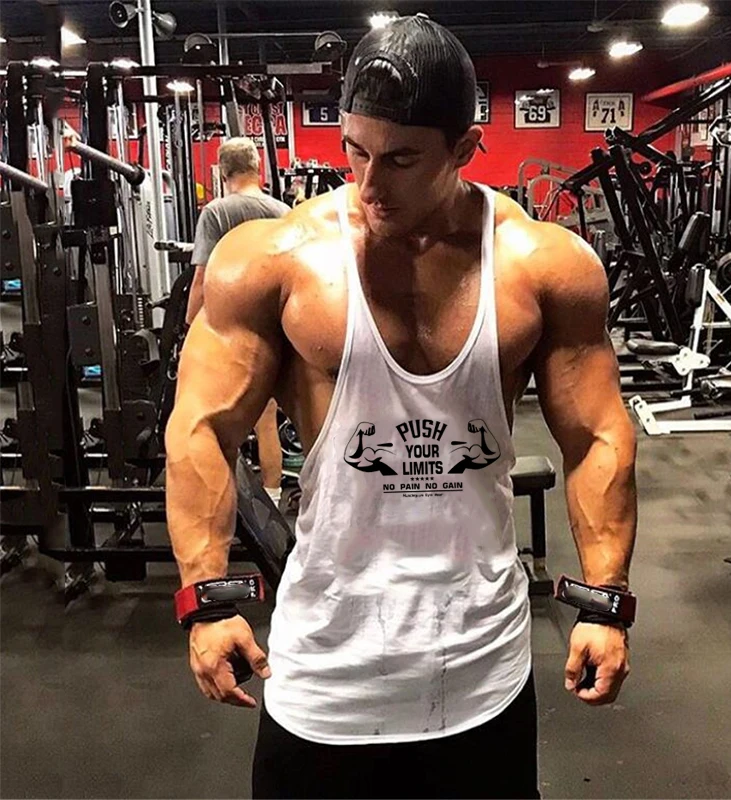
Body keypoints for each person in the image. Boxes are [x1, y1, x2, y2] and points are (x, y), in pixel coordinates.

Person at [166, 14, 637, 800]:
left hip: (482, 668)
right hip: (324, 671)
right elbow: (201, 429)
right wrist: (206, 600)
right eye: (355, 150)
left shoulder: (542, 264)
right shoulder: (274, 259)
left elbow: (596, 436)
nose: (368, 183)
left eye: (401, 159)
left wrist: (605, 601)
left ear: (465, 148)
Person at [185, 137, 290, 504]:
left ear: (223, 172)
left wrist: (189, 327)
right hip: (276, 329)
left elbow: (201, 278)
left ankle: (223, 503)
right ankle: (272, 499)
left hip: (228, 333)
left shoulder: (216, 212)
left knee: (220, 422)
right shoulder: (282, 211)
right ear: (257, 169)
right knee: (266, 421)